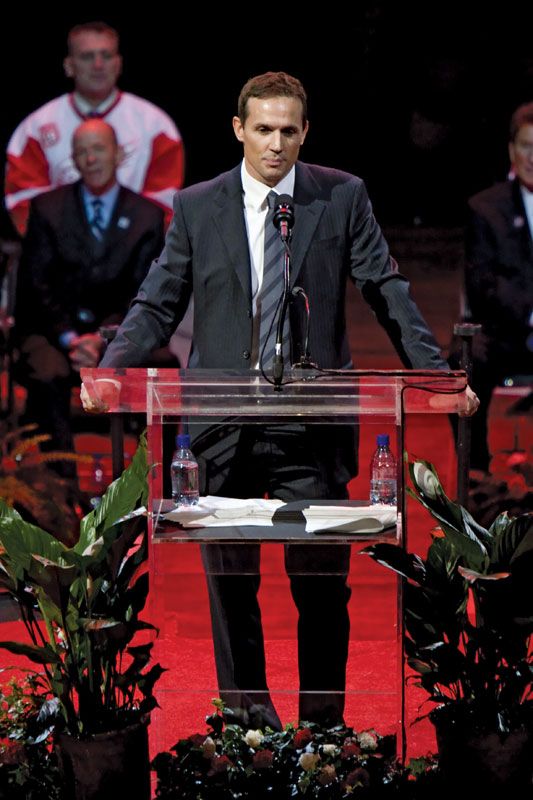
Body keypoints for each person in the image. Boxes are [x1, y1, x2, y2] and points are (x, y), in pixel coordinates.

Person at [85, 71, 479, 728]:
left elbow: (386, 289)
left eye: (287, 130)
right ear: (238, 129)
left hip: (311, 424)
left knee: (320, 586)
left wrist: (435, 377)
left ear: (304, 131)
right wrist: (109, 370)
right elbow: (157, 303)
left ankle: (323, 732)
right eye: (262, 129)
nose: (275, 144)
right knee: (230, 583)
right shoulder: (197, 205)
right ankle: (246, 729)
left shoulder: (339, 197)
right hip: (221, 424)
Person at [15, 118, 165, 456]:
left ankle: (151, 483)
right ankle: (63, 495)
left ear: (118, 154)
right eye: (81, 152)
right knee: (46, 372)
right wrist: (71, 338)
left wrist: (103, 340)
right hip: (55, 335)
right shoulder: (46, 209)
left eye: (98, 149)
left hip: (120, 333)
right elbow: (36, 286)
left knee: (162, 370)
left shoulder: (147, 217)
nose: (91, 159)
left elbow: (145, 291)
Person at [5, 20, 184, 236]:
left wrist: (123, 246)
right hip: (59, 258)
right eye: (87, 56)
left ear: (118, 64)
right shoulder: (34, 128)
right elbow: (24, 202)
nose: (98, 65)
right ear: (69, 65)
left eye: (106, 56)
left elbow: (164, 204)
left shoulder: (156, 126)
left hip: (136, 256)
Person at [463, 101, 533, 472]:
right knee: (466, 364)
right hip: (508, 336)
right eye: (526, 146)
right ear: (512, 150)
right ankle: (476, 476)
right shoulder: (486, 208)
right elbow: (483, 288)